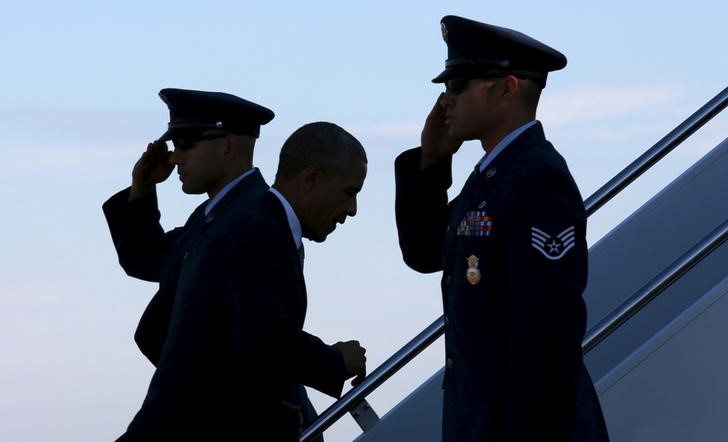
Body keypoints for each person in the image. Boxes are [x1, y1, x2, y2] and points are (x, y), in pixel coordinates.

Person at [103, 88, 367, 441]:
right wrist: (333, 362)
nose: (175, 157)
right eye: (349, 193)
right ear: (312, 178)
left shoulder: (235, 219)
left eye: (185, 143)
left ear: (227, 145)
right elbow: (258, 335)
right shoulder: (246, 222)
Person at [394, 16, 609, 441]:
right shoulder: (493, 178)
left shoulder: (536, 179)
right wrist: (431, 162)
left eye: (458, 86)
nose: (444, 102)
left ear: (507, 89)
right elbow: (424, 252)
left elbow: (547, 340)